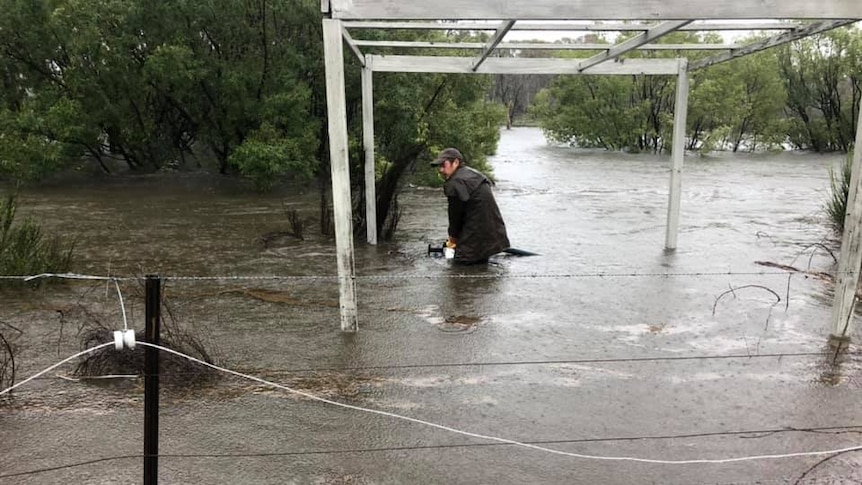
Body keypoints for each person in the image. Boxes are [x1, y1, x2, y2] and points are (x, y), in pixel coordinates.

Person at [430, 147, 510, 264]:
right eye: (439, 166)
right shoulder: (475, 174)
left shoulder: (454, 183)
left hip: (476, 234)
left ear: (456, 162)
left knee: (458, 267)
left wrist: (453, 238)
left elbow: (455, 215)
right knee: (481, 268)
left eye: (444, 165)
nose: (441, 169)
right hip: (495, 234)